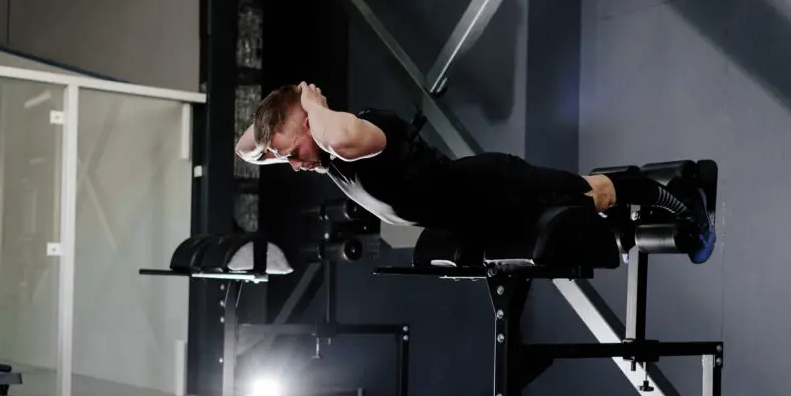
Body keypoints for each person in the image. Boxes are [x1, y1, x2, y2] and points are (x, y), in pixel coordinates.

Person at [235, 82, 716, 264]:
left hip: (493, 189)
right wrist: (282, 130)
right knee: (589, 213)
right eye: (284, 158)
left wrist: (310, 102)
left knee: (594, 194)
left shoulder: (359, 132)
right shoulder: (319, 154)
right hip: (473, 217)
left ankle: (681, 198)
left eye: (293, 150)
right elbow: (244, 150)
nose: (294, 163)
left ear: (310, 121)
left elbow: (334, 136)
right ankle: (649, 210)